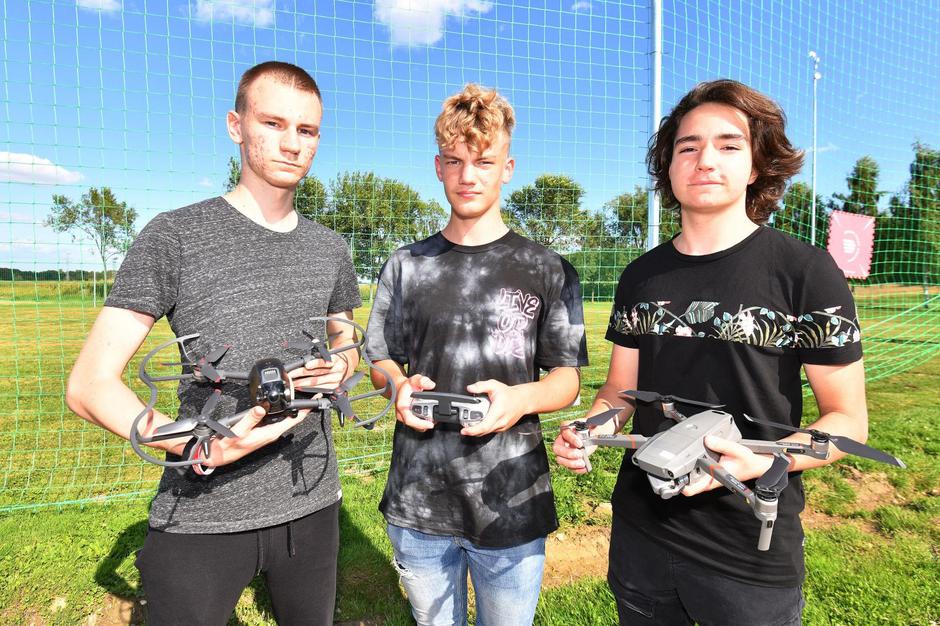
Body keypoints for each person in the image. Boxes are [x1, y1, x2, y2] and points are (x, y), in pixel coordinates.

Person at [553, 79, 867, 625]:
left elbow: (848, 420)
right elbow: (619, 391)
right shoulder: (641, 277)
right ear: (668, 166)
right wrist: (591, 427)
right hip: (643, 533)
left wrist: (767, 459)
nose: (705, 160)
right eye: (688, 146)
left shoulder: (807, 272)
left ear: (756, 166)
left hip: (748, 548)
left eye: (728, 144)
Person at [66, 61, 362, 625]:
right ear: (235, 125)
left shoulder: (330, 248)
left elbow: (345, 344)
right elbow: (88, 385)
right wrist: (197, 445)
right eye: (273, 123)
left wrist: (339, 368)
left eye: (307, 130)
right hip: (202, 511)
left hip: (312, 504)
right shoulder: (176, 235)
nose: (292, 143)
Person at [365, 83, 588, 626]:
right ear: (437, 167)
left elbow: (566, 381)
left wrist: (520, 399)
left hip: (510, 500)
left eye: (484, 162)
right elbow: (380, 360)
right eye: (455, 161)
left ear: (507, 168)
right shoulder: (406, 265)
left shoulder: (547, 268)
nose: (469, 176)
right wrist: (398, 387)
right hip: (419, 499)